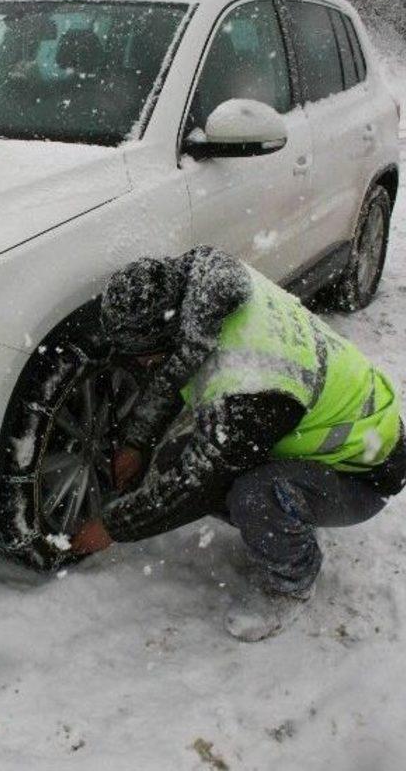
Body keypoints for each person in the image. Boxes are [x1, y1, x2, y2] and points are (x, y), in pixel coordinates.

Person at [71, 247, 406, 641]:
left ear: (173, 333)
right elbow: (175, 369)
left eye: (146, 357)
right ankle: (293, 512)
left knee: (250, 495)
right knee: (183, 458)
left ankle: (290, 582)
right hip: (343, 425)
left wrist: (111, 526)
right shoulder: (207, 279)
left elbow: (196, 484)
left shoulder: (250, 387)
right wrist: (138, 440)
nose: (145, 366)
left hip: (363, 470)